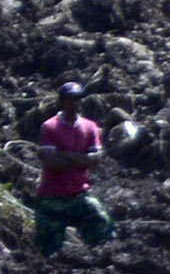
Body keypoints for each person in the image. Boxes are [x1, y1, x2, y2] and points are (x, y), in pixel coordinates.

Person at [32, 80, 112, 252]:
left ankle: (101, 259)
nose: (74, 103)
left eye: (77, 99)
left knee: (100, 220)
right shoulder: (50, 126)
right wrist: (81, 160)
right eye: (69, 99)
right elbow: (51, 163)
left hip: (79, 193)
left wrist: (64, 154)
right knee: (46, 248)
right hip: (51, 195)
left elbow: (96, 159)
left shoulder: (90, 127)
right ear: (60, 102)